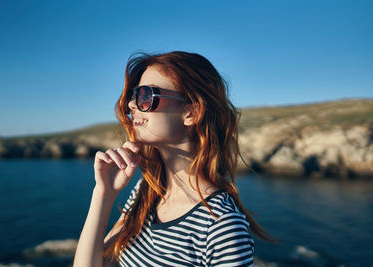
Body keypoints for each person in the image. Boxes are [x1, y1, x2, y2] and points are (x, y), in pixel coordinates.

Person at [74, 51, 275, 267]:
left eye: (145, 96)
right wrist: (103, 194)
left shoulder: (221, 226)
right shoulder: (147, 191)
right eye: (134, 96)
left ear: (191, 112)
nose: (132, 105)